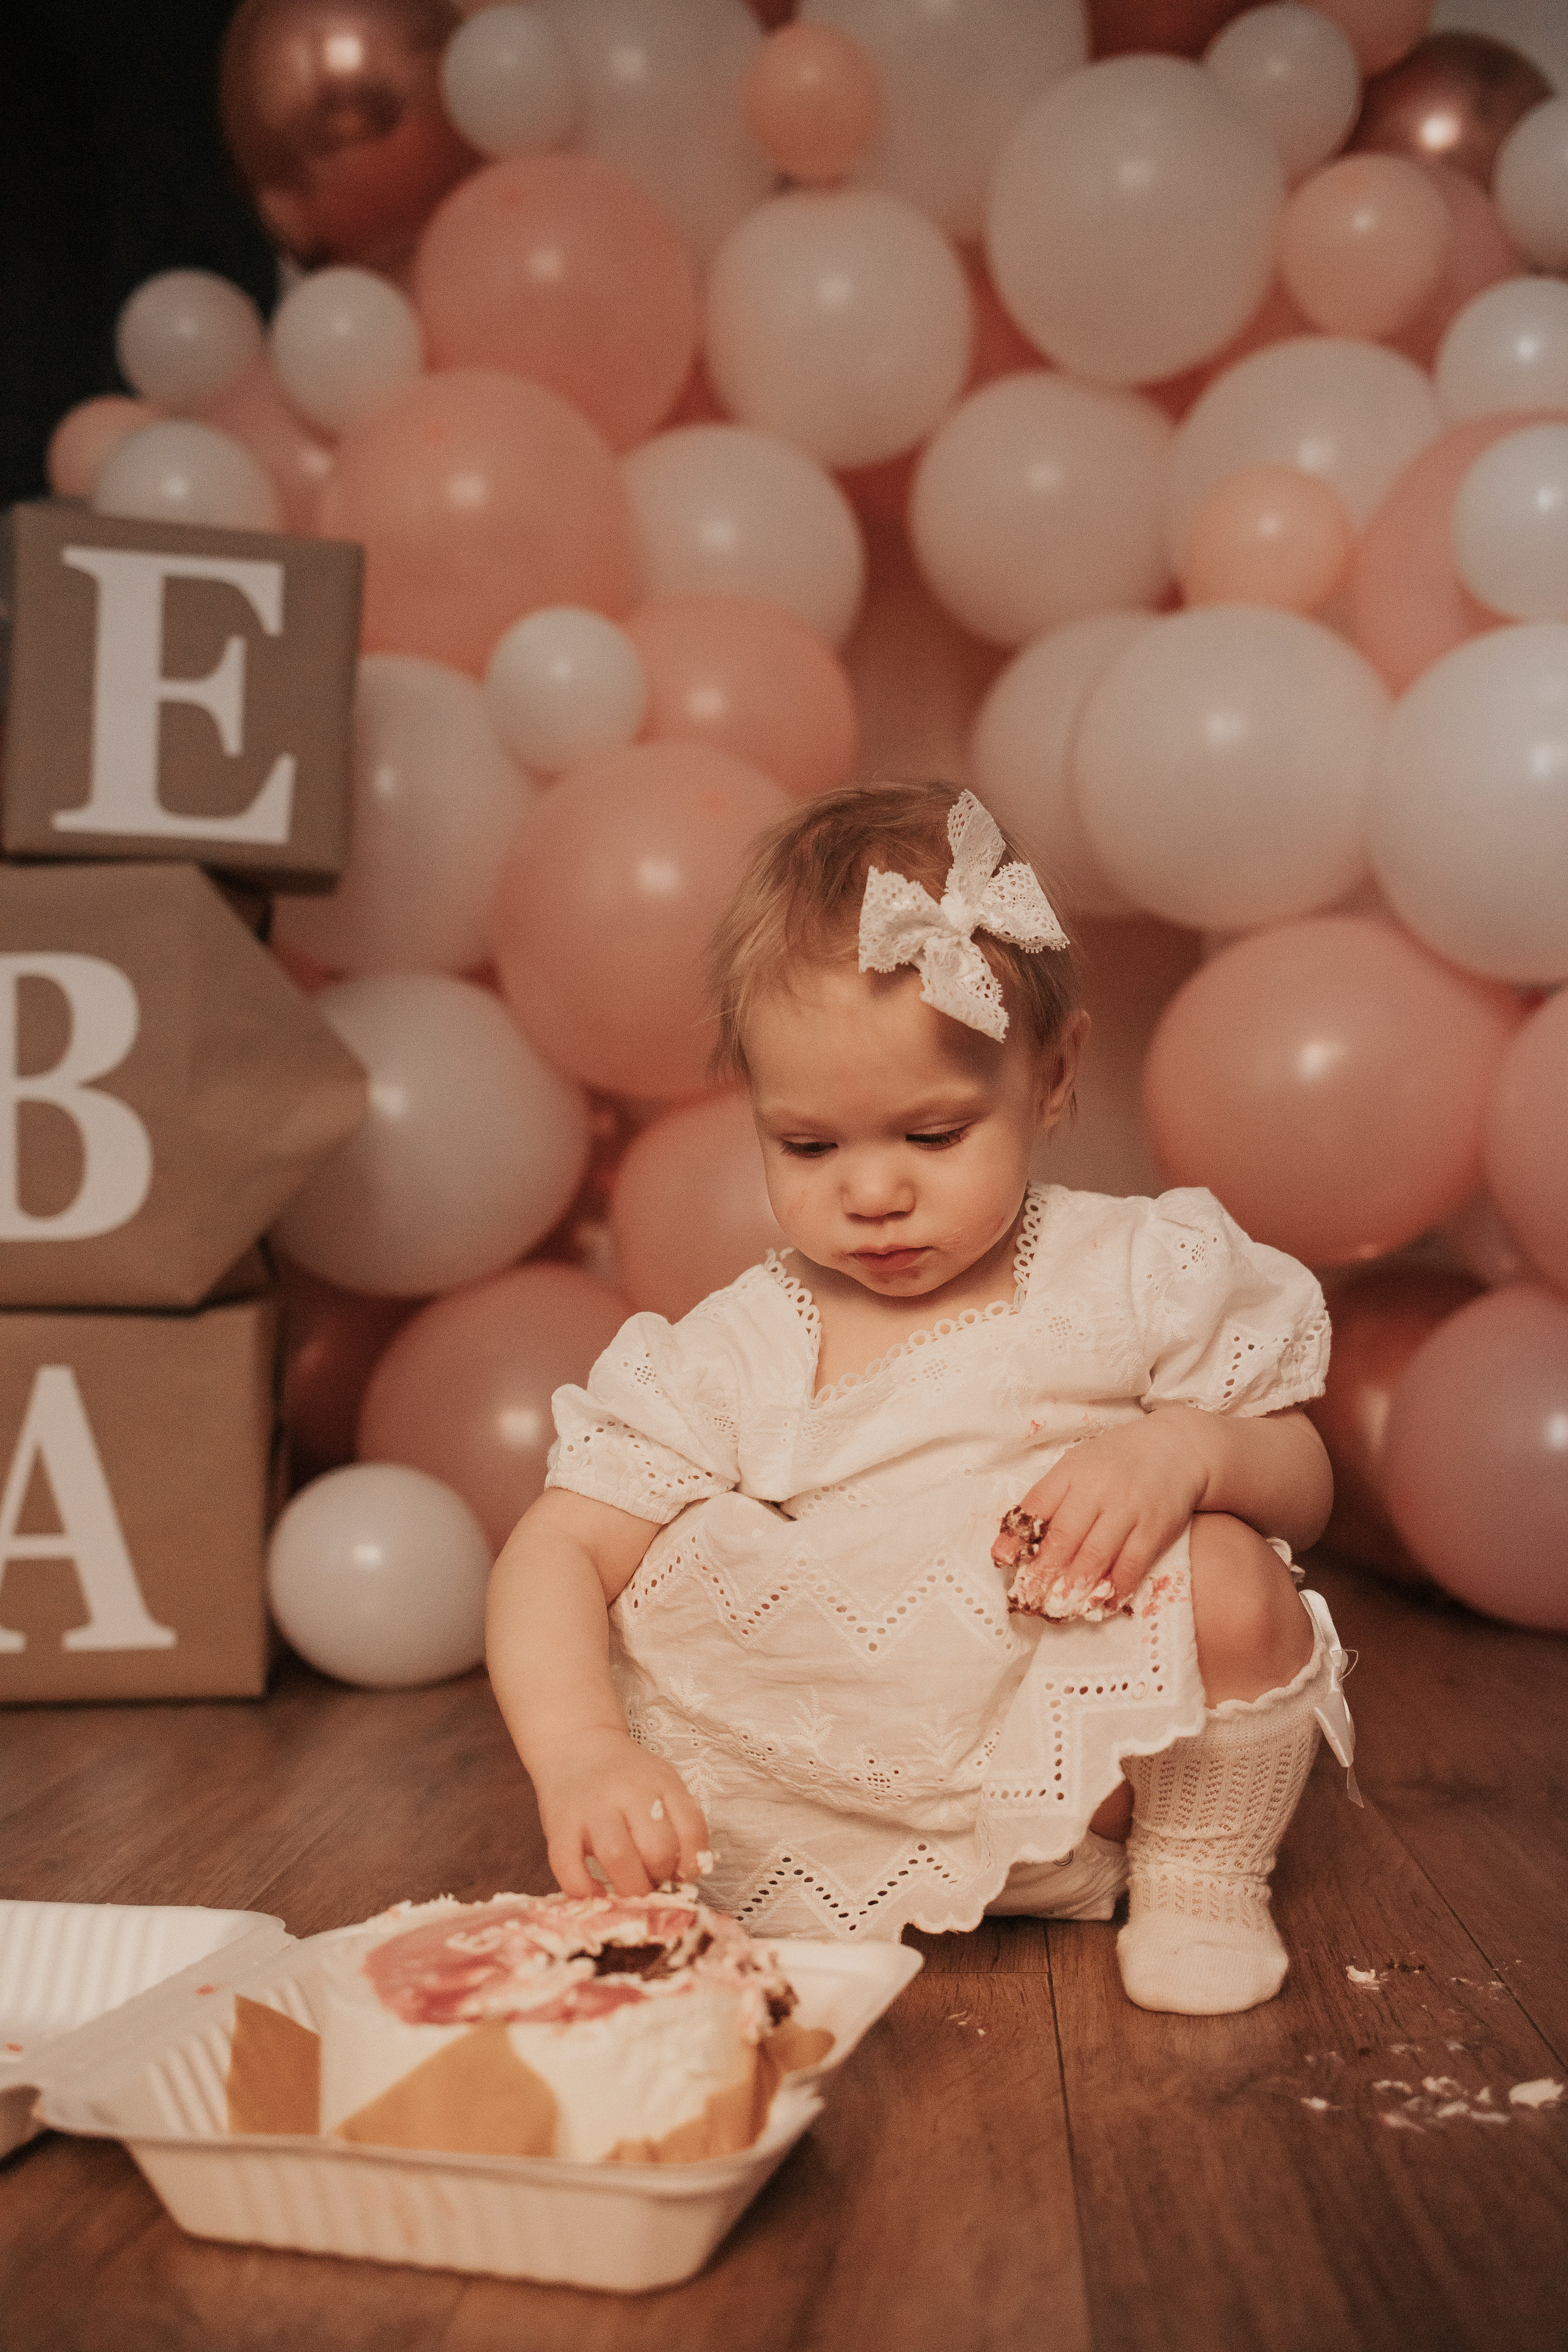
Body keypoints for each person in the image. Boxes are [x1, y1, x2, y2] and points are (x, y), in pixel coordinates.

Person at [487, 781, 1358, 2016]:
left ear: (1052, 1077)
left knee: (1228, 1567)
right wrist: (580, 1753)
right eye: (808, 1146)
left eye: (934, 1137)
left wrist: (1185, 1454)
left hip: (1092, 1774)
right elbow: (557, 1548)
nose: (872, 1195)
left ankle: (1202, 1869)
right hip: (817, 1786)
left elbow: (1306, 1488)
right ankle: (789, 1868)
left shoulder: (1132, 1276)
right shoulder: (746, 1346)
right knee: (659, 1553)